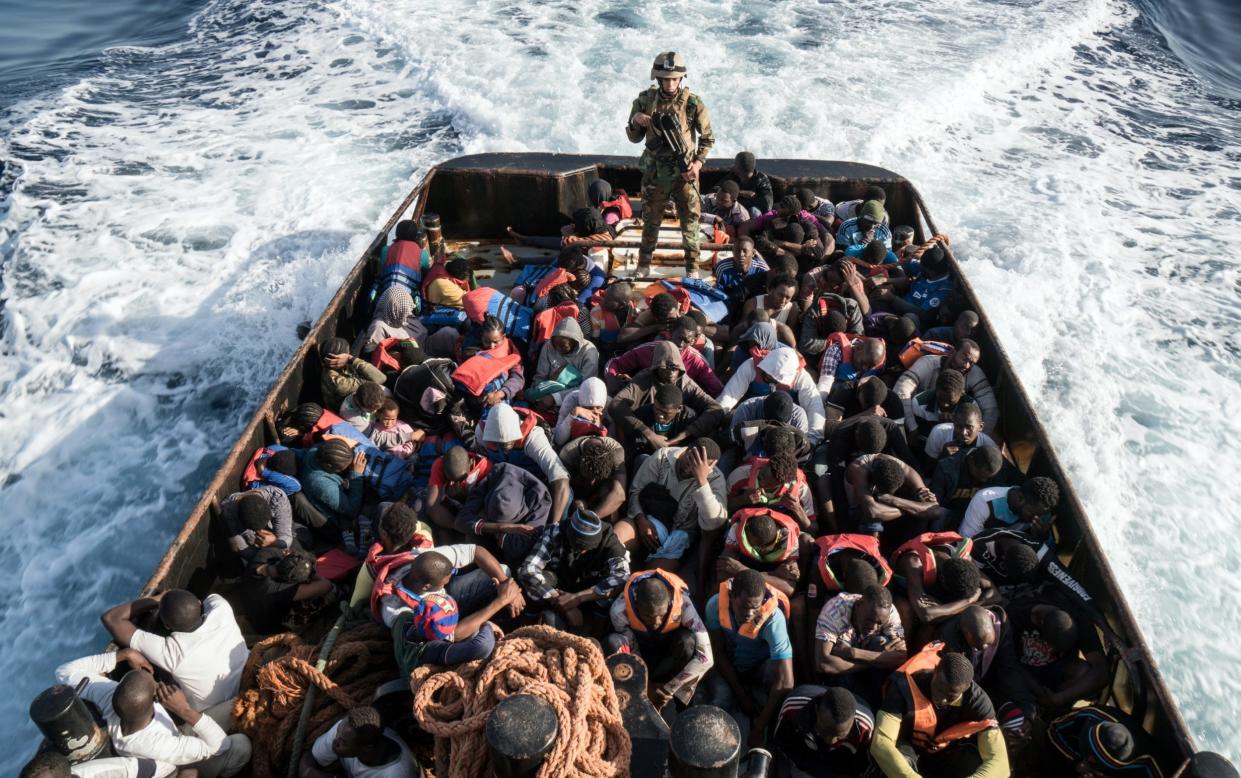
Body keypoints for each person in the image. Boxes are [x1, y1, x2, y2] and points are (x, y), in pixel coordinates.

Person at [53, 650, 251, 778]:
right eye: (155, 683)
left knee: (240, 703)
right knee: (241, 745)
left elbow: (64, 671)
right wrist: (184, 709)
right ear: (154, 701)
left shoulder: (108, 693)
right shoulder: (159, 746)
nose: (158, 682)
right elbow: (220, 746)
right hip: (180, 760)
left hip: (175, 738)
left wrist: (123, 655)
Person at [101, 590, 247, 728]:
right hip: (247, 678)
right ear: (198, 603)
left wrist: (156, 600)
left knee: (165, 679)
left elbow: (111, 619)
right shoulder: (221, 607)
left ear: (167, 625)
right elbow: (198, 601)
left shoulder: (173, 653)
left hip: (216, 710)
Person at [626, 51, 715, 274]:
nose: (670, 83)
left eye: (675, 78)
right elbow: (634, 137)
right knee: (650, 220)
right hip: (655, 172)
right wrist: (637, 120)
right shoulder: (645, 100)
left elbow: (707, 139)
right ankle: (644, 263)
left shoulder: (693, 104)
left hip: (684, 173)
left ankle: (692, 267)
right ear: (658, 79)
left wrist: (697, 164)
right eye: (666, 79)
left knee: (690, 222)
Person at [869, 643, 1009, 777]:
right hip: (908, 749)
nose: (941, 699)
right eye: (939, 688)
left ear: (965, 689)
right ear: (935, 670)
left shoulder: (978, 702)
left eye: (950, 696)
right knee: (891, 763)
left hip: (944, 754)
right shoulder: (904, 686)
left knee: (974, 764)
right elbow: (881, 743)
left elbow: (999, 763)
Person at [383, 550, 523, 670]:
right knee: (476, 638)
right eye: (445, 582)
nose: (448, 582)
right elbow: (476, 644)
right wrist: (488, 621)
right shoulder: (398, 614)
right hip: (427, 655)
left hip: (429, 631)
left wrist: (504, 584)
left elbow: (475, 550)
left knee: (501, 571)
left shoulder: (427, 560)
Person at [702, 570, 795, 747]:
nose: (750, 613)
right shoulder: (714, 606)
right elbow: (718, 652)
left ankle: (772, 740)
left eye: (755, 607)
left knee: (778, 686)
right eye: (744, 606)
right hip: (728, 664)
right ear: (731, 596)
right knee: (719, 702)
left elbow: (786, 681)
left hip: (760, 666)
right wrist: (741, 693)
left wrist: (760, 726)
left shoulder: (774, 620)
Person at [607, 569, 714, 708]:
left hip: (671, 655)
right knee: (613, 642)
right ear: (637, 606)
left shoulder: (683, 603)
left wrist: (667, 690)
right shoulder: (619, 610)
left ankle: (682, 706)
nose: (656, 622)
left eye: (662, 615)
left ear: (669, 602)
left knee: (687, 641)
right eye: (648, 616)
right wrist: (647, 687)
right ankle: (632, 697)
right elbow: (634, 651)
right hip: (643, 650)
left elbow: (706, 658)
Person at [518, 505, 629, 631]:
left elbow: (623, 576)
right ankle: (526, 625)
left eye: (586, 549)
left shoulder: (610, 542)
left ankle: (594, 633)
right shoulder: (556, 531)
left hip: (590, 591)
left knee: (610, 591)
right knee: (537, 582)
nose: (581, 552)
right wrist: (562, 602)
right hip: (559, 586)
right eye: (577, 547)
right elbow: (528, 569)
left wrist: (578, 598)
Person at [936, 605, 1036, 742]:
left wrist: (1027, 709)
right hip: (961, 698)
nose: (984, 648)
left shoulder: (1002, 626)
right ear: (965, 633)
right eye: (978, 645)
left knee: (1017, 723)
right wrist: (990, 722)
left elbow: (1009, 671)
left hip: (990, 690)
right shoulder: (950, 637)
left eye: (989, 643)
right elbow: (959, 687)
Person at [627, 439, 728, 571]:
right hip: (644, 523)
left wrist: (702, 481)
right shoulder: (663, 457)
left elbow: (713, 523)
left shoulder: (715, 479)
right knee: (619, 537)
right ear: (686, 450)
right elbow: (636, 491)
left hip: (676, 541)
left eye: (699, 465)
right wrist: (641, 521)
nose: (691, 467)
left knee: (651, 580)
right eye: (691, 459)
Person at [609, 341, 725, 449]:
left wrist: (682, 436)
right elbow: (615, 404)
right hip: (642, 432)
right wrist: (648, 434)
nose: (670, 373)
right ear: (656, 368)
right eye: (664, 368)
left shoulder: (687, 384)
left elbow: (716, 409)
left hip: (675, 435)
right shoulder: (644, 379)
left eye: (674, 368)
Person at [477, 403, 570, 525]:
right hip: (508, 480)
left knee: (567, 499)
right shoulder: (482, 434)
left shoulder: (534, 438)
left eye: (507, 444)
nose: (502, 448)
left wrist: (553, 525)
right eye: (497, 443)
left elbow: (560, 478)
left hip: (537, 480)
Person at [890, 532, 996, 636]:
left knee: (934, 627)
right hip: (901, 593)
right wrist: (969, 601)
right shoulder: (913, 563)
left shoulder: (964, 561)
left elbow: (995, 595)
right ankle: (902, 648)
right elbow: (926, 615)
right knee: (905, 610)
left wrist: (970, 604)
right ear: (942, 582)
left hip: (935, 600)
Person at [717, 346, 827, 446]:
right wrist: (714, 415)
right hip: (752, 414)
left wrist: (812, 441)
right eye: (768, 379)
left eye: (778, 381)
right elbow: (729, 396)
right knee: (727, 420)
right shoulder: (751, 366)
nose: (772, 384)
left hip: (783, 424)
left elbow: (814, 407)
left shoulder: (802, 378)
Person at [455, 461, 552, 569]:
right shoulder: (498, 473)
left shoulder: (540, 498)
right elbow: (460, 521)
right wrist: (500, 528)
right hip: (494, 528)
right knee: (472, 536)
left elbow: (525, 545)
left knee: (519, 558)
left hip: (512, 536)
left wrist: (503, 535)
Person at [893, 338, 998, 434]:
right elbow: (901, 390)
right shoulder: (928, 363)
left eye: (971, 363)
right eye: (964, 358)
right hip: (919, 421)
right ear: (952, 352)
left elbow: (991, 409)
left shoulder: (974, 373)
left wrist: (976, 438)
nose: (966, 366)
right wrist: (912, 427)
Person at [771, 685, 875, 778]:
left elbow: (863, 768)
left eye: (840, 737)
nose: (831, 742)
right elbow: (783, 746)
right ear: (816, 710)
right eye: (825, 731)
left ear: (853, 722)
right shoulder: (793, 709)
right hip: (802, 764)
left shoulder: (865, 728)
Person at [604, 316, 722, 396]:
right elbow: (615, 363)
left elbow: (717, 389)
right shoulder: (648, 349)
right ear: (670, 333)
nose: (681, 344)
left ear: (692, 341)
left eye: (686, 340)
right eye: (679, 337)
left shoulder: (697, 361)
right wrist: (611, 377)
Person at [1046, 705, 1164, 777]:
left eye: (1095, 763)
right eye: (1088, 750)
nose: (1089, 760)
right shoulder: (1091, 715)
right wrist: (1076, 761)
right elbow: (1053, 729)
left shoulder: (1150, 763)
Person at [300, 706, 417, 778]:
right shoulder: (344, 731)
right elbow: (309, 757)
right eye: (338, 732)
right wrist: (310, 773)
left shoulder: (398, 774)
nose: (335, 742)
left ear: (366, 748)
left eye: (343, 743)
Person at [240, 549, 333, 636]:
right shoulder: (279, 590)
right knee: (327, 595)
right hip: (265, 627)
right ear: (290, 582)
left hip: (252, 606)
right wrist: (311, 573)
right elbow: (326, 585)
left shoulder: (265, 555)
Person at [929, 445, 1024, 521]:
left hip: (985, 516)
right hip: (951, 515)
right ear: (970, 460)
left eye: (989, 477)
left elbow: (1024, 486)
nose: (984, 481)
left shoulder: (1003, 466)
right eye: (980, 475)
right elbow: (934, 507)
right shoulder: (947, 468)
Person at [872, 244, 954, 329]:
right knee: (875, 302)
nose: (920, 268)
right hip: (899, 303)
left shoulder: (944, 289)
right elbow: (903, 262)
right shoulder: (926, 269)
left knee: (910, 317)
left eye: (923, 268)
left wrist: (892, 298)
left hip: (914, 321)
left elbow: (921, 313)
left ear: (932, 271)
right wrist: (884, 279)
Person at [959, 476, 1061, 539]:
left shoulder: (1040, 514)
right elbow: (964, 543)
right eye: (1031, 513)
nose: (1035, 519)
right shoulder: (985, 502)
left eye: (1039, 515)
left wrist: (1042, 536)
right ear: (1020, 499)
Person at [529, 316, 598, 408]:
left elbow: (585, 386)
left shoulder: (589, 352)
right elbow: (541, 375)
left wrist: (555, 398)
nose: (558, 349)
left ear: (574, 342)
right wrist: (538, 393)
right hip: (546, 392)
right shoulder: (549, 346)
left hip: (574, 398)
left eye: (563, 346)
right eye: (555, 344)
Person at [559, 434, 628, 521]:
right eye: (589, 477)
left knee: (611, 505)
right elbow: (567, 487)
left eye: (596, 478)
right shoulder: (567, 456)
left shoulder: (616, 449)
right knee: (578, 506)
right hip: (580, 488)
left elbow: (619, 494)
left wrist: (590, 518)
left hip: (605, 485)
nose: (592, 482)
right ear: (580, 460)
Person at [218, 487, 294, 564]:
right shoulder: (228, 512)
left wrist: (274, 542)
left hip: (272, 537)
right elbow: (242, 549)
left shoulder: (277, 497)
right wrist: (265, 556)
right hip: (253, 546)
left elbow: (286, 537)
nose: (260, 530)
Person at [627, 383, 698, 464]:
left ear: (679, 409)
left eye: (666, 413)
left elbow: (690, 446)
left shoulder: (688, 417)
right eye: (657, 409)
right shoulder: (643, 414)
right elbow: (636, 447)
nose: (660, 416)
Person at [319, 338, 386, 412]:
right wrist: (351, 359)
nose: (349, 354)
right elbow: (380, 378)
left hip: (359, 400)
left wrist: (351, 359)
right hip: (347, 410)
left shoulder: (344, 365)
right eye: (347, 353)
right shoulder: (336, 382)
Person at [922, 401, 997, 466]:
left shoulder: (988, 446)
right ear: (953, 423)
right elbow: (927, 470)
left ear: (980, 427)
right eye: (959, 426)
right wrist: (943, 457)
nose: (963, 432)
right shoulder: (939, 433)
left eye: (969, 427)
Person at [553, 376, 611, 446]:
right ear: (581, 404)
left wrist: (600, 427)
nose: (594, 411)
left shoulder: (609, 404)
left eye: (598, 407)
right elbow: (558, 440)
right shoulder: (571, 400)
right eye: (589, 408)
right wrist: (573, 414)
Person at [714, 236, 770, 303]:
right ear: (733, 252)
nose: (741, 254)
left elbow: (768, 295)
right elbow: (718, 295)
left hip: (754, 304)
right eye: (737, 250)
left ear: (753, 253)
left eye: (745, 251)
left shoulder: (762, 269)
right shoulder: (722, 268)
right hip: (730, 304)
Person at [720, 151, 774, 216]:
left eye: (735, 164)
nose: (733, 166)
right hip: (732, 210)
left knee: (754, 211)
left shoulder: (761, 179)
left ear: (739, 168)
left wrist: (738, 202)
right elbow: (715, 190)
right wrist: (739, 193)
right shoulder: (733, 176)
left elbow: (767, 204)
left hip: (750, 218)